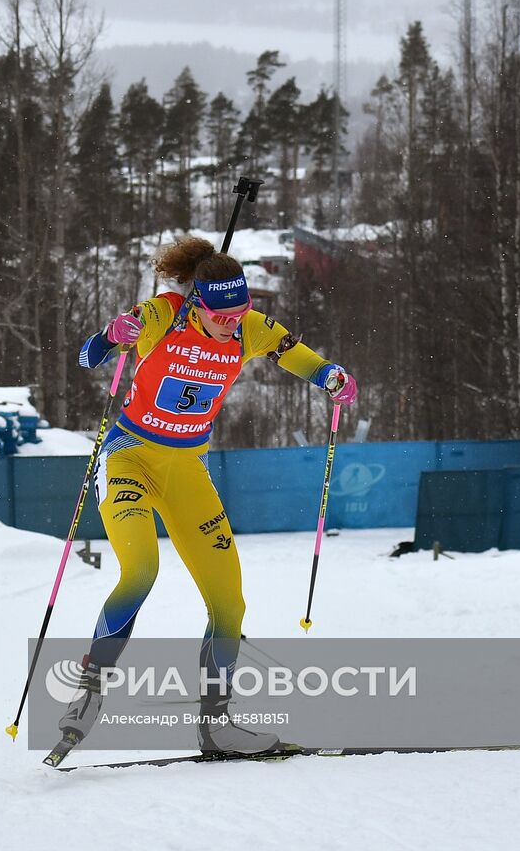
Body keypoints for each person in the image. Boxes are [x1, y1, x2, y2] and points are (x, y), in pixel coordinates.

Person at [58, 236, 357, 756]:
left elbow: (299, 357)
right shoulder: (163, 314)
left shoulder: (250, 329)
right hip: (128, 456)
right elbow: (88, 355)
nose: (232, 323)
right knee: (140, 572)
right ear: (198, 302)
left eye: (241, 311)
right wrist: (111, 336)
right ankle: (88, 695)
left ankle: (217, 725)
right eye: (222, 314)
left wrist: (329, 376)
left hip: (185, 467)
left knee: (229, 600)